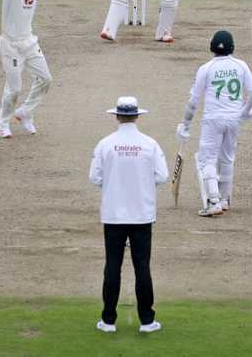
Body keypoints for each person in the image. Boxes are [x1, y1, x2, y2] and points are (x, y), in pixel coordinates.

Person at [89, 96, 169, 334]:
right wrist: (143, 185)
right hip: (142, 214)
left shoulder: (105, 144)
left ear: (117, 116)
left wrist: (113, 185)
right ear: (136, 116)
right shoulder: (149, 144)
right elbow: (162, 176)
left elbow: (95, 177)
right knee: (142, 266)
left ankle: (108, 320)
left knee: (112, 266)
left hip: (114, 214)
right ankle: (147, 321)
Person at [0, 0, 78, 138]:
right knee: (15, 88)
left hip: (29, 42)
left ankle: (24, 112)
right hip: (10, 45)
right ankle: (2, 124)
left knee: (45, 79)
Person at [177, 30, 252, 216]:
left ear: (212, 47)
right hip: (233, 119)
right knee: (227, 158)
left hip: (213, 119)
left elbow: (193, 102)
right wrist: (243, 113)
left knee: (207, 159)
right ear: (232, 47)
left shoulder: (205, 69)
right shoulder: (241, 65)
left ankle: (213, 201)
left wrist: (186, 125)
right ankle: (224, 199)